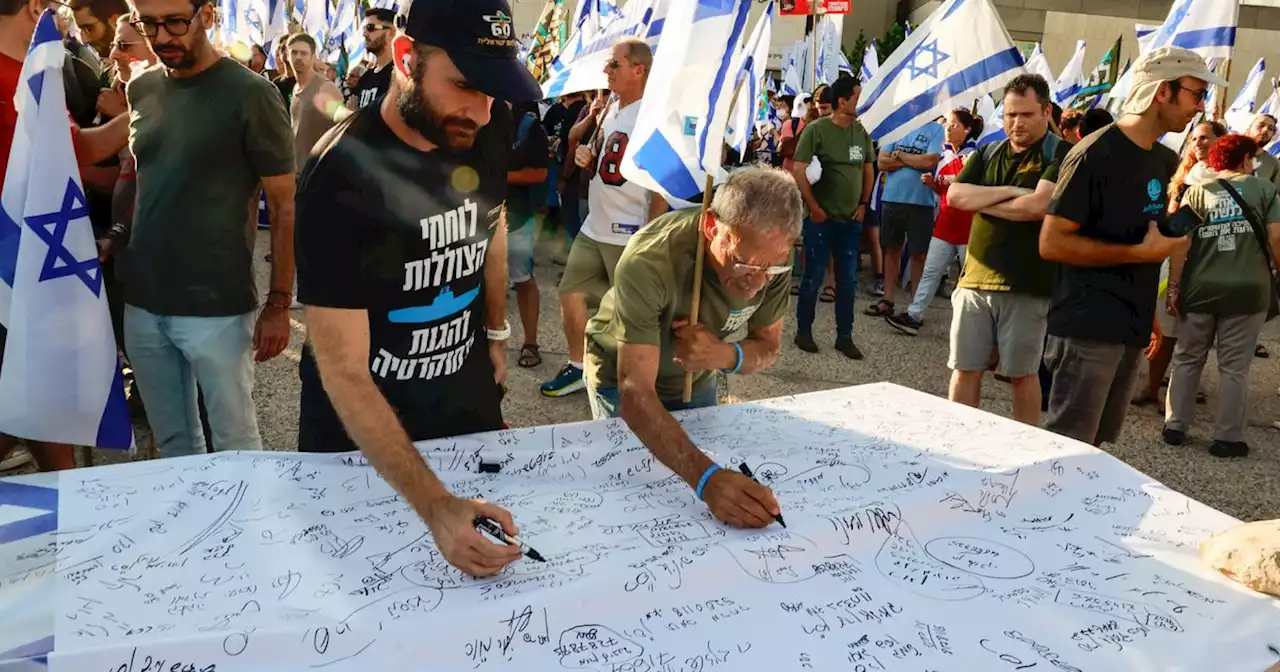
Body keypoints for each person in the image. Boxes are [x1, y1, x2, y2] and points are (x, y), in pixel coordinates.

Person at [295, 0, 543, 577]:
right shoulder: (337, 175)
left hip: (464, 402)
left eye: (492, 92)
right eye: (463, 86)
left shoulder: (488, 125)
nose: (480, 113)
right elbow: (343, 370)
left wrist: (497, 334)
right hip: (364, 439)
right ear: (405, 59)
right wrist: (435, 506)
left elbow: (491, 228)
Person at [124, 0, 295, 457]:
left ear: (209, 15)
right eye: (149, 24)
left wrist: (280, 302)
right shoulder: (140, 87)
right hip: (142, 300)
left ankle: (247, 530)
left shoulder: (252, 93)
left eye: (175, 22)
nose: (161, 37)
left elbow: (283, 207)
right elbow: (146, 183)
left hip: (215, 302)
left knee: (234, 443)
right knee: (175, 442)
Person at [583, 167, 799, 526]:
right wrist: (706, 479)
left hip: (696, 378)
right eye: (745, 264)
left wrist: (723, 355)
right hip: (618, 374)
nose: (758, 283)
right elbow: (635, 392)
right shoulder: (648, 261)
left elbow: (768, 346)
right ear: (713, 227)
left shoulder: (773, 255)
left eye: (771, 268)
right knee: (632, 502)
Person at [1039, 46, 1216, 447]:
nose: (1200, 106)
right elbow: (1051, 242)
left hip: (1130, 326)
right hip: (1088, 326)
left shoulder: (1164, 160)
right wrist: (1140, 254)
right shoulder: (1095, 153)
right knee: (1066, 449)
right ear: (1162, 92)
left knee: (1097, 449)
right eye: (1196, 93)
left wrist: (1169, 238)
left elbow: (1140, 234)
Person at [0, 0, 130, 471]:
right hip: (14, 266)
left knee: (34, 393)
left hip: (32, 264)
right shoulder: (22, 74)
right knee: (29, 390)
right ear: (35, 7)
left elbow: (70, 154)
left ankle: (70, 496)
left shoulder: (36, 69)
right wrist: (141, 111)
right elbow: (74, 152)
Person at [541, 38, 666, 398]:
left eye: (614, 64)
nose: (605, 70)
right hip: (595, 225)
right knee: (570, 293)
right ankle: (580, 367)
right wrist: (586, 156)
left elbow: (657, 184)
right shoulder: (612, 105)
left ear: (638, 70)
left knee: (632, 315)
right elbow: (602, 157)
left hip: (628, 232)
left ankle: (637, 383)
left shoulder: (650, 115)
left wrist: (648, 235)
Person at [944, 74, 1067, 426]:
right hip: (974, 279)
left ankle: (1024, 449)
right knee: (964, 367)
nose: (1016, 122)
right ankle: (958, 439)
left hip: (1026, 283)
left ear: (1045, 111)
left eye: (1026, 114)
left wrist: (983, 200)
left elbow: (1036, 207)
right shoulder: (988, 151)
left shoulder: (1058, 153)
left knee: (1021, 374)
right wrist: (1014, 192)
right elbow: (954, 197)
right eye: (1011, 114)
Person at [1164, 134, 1280, 458]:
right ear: (1244, 160)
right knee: (1235, 367)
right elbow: (1276, 238)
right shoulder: (1266, 191)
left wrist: (1174, 288)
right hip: (1247, 291)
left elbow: (1177, 244)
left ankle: (1175, 425)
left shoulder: (1196, 193)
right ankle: (1227, 438)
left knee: (1187, 358)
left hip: (1200, 288)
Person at [1133, 120, 1225, 407]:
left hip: (1208, 260)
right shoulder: (1183, 175)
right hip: (1174, 257)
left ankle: (1181, 392)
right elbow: (1170, 219)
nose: (1199, 143)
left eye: (1206, 138)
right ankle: (1151, 387)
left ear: (1221, 142)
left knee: (1195, 334)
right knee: (1167, 330)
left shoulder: (1227, 178)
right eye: (1195, 138)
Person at [790, 75, 873, 360]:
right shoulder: (816, 130)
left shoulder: (861, 132)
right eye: (856, 97)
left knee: (847, 280)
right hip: (820, 220)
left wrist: (864, 203)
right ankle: (804, 331)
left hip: (850, 221)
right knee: (813, 276)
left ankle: (844, 336)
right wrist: (813, 206)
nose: (859, 102)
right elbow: (798, 169)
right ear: (842, 100)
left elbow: (868, 168)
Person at [887, 108, 982, 335]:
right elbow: (944, 190)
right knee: (931, 271)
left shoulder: (975, 155)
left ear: (967, 129)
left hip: (968, 226)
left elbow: (971, 188)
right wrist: (932, 184)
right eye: (947, 124)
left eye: (954, 125)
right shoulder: (944, 153)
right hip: (945, 223)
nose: (948, 129)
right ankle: (913, 316)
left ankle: (976, 329)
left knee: (970, 279)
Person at [867, 118, 943, 320]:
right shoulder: (896, 127)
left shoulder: (936, 129)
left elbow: (930, 161)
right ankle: (888, 299)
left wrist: (899, 156)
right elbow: (882, 162)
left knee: (918, 254)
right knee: (891, 249)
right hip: (892, 198)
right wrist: (913, 161)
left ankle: (914, 307)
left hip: (921, 202)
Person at [506, 100, 549, 370]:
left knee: (522, 278)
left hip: (515, 217)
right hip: (475, 215)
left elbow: (540, 173)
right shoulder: (473, 116)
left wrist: (498, 176)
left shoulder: (528, 125)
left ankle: (530, 342)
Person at [287, 33, 347, 170]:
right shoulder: (296, 87)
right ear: (287, 56)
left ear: (313, 58)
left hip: (319, 173)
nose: (298, 57)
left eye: (304, 53)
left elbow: (344, 127)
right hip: (298, 172)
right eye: (294, 53)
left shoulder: (324, 88)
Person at [346, 7, 395, 110]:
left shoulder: (397, 76)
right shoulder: (366, 77)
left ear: (390, 32)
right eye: (364, 29)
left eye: (370, 27)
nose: (364, 34)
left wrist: (354, 116)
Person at [1245, 113, 1280, 191]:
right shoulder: (1231, 151)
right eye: (1261, 125)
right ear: (1250, 127)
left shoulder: (1274, 164)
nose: (1265, 130)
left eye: (1270, 129)